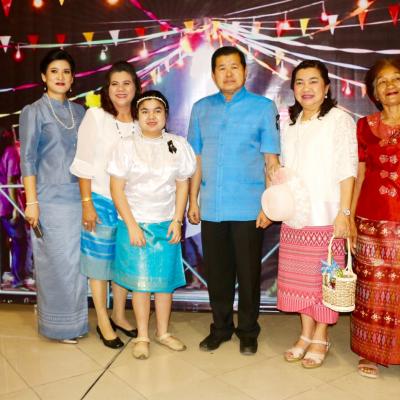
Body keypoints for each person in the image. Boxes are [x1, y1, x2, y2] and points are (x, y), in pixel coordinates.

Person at [187, 46, 280, 355]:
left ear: (245, 71)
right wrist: (193, 201)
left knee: (249, 273)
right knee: (218, 273)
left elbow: (271, 160)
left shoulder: (263, 107)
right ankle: (221, 328)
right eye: (221, 68)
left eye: (234, 67)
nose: (228, 73)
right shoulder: (201, 109)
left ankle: (248, 331)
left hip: (249, 207)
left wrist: (268, 205)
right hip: (212, 206)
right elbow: (196, 159)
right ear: (213, 74)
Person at [277, 60, 357, 368]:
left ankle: (321, 336)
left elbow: (347, 169)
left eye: (313, 81)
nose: (306, 88)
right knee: (301, 281)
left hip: (327, 214)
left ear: (326, 87)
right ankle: (305, 333)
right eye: (299, 82)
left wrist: (344, 213)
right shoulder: (290, 124)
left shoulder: (339, 120)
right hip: (295, 216)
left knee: (326, 279)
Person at [108, 90, 196, 360]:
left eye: (157, 110)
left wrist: (178, 220)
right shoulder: (125, 146)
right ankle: (143, 335)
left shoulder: (177, 145)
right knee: (141, 284)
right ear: (137, 115)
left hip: (166, 225)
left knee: (164, 283)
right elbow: (117, 190)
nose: (151, 116)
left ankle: (163, 332)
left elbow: (182, 184)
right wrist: (132, 226)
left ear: (166, 115)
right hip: (135, 225)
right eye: (145, 111)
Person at [70, 61, 141, 349]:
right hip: (100, 199)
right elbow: (83, 163)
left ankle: (119, 315)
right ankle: (102, 319)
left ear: (136, 87)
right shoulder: (96, 117)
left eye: (126, 83)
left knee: (123, 263)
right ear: (107, 89)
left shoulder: (141, 119)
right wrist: (87, 203)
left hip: (132, 206)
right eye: (114, 84)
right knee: (98, 264)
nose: (121, 89)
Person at [19, 48, 88, 343]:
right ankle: (57, 326)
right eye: (54, 71)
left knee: (76, 265)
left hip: (79, 199)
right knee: (56, 263)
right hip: (48, 199)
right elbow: (27, 159)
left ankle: (76, 323)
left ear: (72, 79)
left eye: (66, 72)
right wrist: (31, 202)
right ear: (43, 77)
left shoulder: (80, 112)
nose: (60, 77)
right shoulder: (33, 111)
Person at [350, 58, 400, 378]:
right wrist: (350, 218)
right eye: (382, 81)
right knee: (371, 286)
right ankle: (369, 351)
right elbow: (359, 173)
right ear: (375, 93)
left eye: (396, 78)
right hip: (371, 219)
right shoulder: (364, 126)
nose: (390, 85)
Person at [0, 127, 32, 288]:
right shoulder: (11, 151)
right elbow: (11, 180)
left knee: (3, 244)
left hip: (1, 204)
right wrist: (15, 208)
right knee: (21, 241)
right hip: (7, 204)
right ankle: (18, 278)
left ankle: (5, 276)